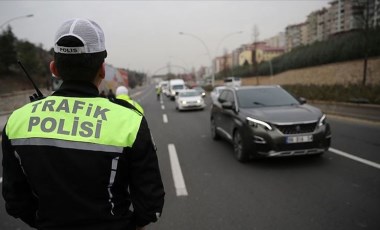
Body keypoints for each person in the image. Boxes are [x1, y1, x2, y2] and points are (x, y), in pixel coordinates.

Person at [2, 18, 164, 230]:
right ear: (102, 70)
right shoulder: (129, 121)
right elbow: (150, 206)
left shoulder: (17, 121)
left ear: (54, 68)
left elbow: (15, 201)